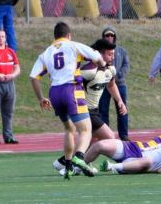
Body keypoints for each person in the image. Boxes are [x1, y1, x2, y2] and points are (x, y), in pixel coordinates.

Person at [29, 22, 104, 179]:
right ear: (69, 35)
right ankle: (80, 156)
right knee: (86, 130)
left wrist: (41, 98)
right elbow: (97, 57)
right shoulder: (73, 46)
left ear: (55, 37)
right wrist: (103, 65)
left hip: (54, 92)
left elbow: (33, 77)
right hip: (71, 90)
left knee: (69, 129)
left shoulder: (46, 53)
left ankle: (68, 165)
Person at [52, 39, 128, 171]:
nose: (113, 57)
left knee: (90, 140)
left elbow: (111, 84)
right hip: (84, 110)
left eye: (113, 54)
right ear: (100, 55)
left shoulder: (111, 69)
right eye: (110, 54)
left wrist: (120, 101)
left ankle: (64, 161)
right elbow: (68, 80)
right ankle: (74, 166)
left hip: (94, 110)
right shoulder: (89, 71)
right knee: (110, 137)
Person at [86, 107, 161, 175]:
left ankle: (111, 167)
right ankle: (75, 167)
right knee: (99, 145)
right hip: (133, 147)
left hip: (141, 162)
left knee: (147, 161)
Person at [98, 26, 131, 141]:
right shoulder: (99, 52)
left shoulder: (121, 51)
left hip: (120, 84)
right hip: (103, 84)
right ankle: (104, 135)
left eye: (112, 35)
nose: (109, 37)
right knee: (102, 110)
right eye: (107, 35)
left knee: (122, 109)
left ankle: (124, 135)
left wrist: (117, 75)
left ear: (115, 37)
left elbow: (126, 65)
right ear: (103, 37)